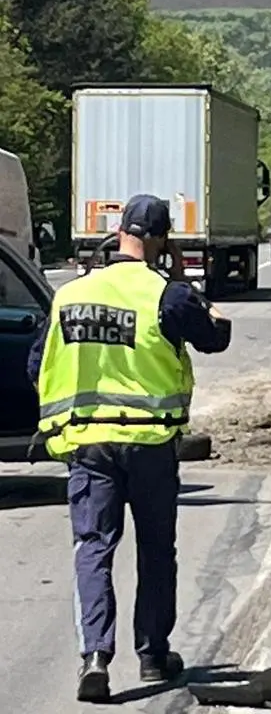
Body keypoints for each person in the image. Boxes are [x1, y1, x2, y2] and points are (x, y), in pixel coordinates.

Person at [27, 194, 232, 702]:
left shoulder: (70, 295)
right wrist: (193, 291)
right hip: (149, 445)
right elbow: (215, 339)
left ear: (119, 233)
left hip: (88, 445)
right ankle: (153, 655)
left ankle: (95, 658)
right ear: (162, 240)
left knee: (93, 548)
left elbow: (36, 366)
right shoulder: (167, 296)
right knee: (156, 549)